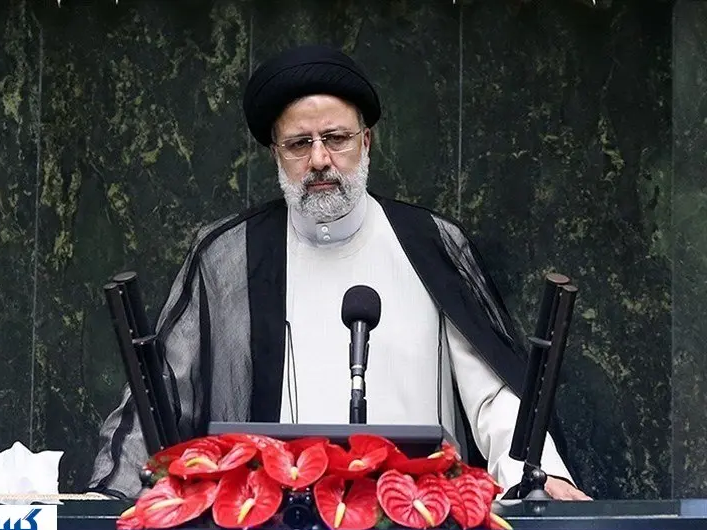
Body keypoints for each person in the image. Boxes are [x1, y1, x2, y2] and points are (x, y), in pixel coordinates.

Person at [87, 44, 590, 502]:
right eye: (298, 144)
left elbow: (494, 395)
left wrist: (540, 476)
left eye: (335, 138)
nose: (319, 160)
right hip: (273, 525)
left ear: (366, 142)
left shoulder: (430, 242)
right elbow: (161, 389)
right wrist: (115, 496)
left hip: (420, 520)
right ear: (276, 155)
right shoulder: (230, 254)